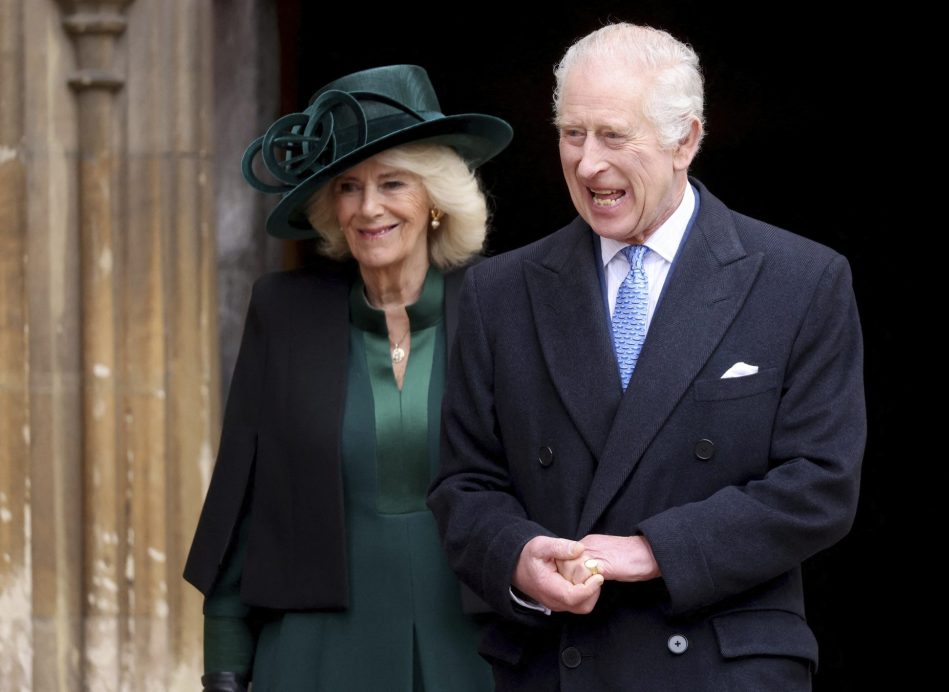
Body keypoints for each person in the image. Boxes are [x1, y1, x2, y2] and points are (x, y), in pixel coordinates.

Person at [427, 23, 866, 691]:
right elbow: (464, 486)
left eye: (613, 136)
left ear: (685, 140)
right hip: (557, 662)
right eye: (572, 135)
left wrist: (656, 550)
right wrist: (517, 557)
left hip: (721, 667)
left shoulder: (800, 281)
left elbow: (822, 483)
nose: (587, 163)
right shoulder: (500, 292)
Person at [183, 64, 512, 692]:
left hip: (472, 647)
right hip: (316, 652)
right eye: (348, 187)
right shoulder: (284, 312)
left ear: (436, 198)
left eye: (393, 183)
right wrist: (223, 660)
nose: (369, 208)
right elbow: (239, 495)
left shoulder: (502, 305)